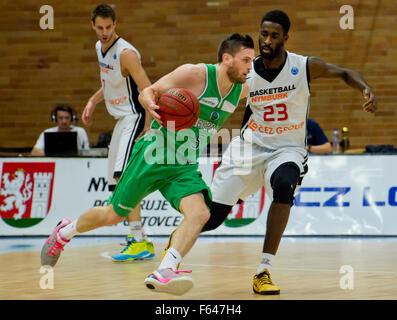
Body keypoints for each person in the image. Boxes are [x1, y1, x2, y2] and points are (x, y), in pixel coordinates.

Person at [40, 33, 255, 296]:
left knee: (201, 214)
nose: (250, 66)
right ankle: (65, 232)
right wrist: (150, 102)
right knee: (112, 215)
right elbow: (148, 92)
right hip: (154, 153)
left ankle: (165, 269)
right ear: (227, 58)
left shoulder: (243, 88)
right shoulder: (195, 75)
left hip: (184, 164)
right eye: (246, 60)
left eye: (253, 61)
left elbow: (271, 89)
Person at [199, 10, 377, 295]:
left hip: (287, 149)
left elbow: (343, 72)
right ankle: (171, 253)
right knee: (211, 218)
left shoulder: (303, 67)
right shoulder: (247, 73)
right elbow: (214, 95)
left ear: (285, 38)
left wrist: (365, 89)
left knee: (284, 184)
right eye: (263, 34)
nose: (266, 40)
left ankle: (263, 271)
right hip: (249, 148)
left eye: (273, 35)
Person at [81, 4, 154, 262]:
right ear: (93, 25)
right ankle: (140, 239)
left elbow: (147, 90)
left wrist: (146, 128)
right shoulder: (99, 48)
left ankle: (137, 241)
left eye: (108, 27)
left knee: (124, 180)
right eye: (99, 27)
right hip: (120, 121)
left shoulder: (126, 54)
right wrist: (92, 101)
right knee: (117, 183)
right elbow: (109, 84)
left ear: (116, 25)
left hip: (133, 118)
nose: (104, 32)